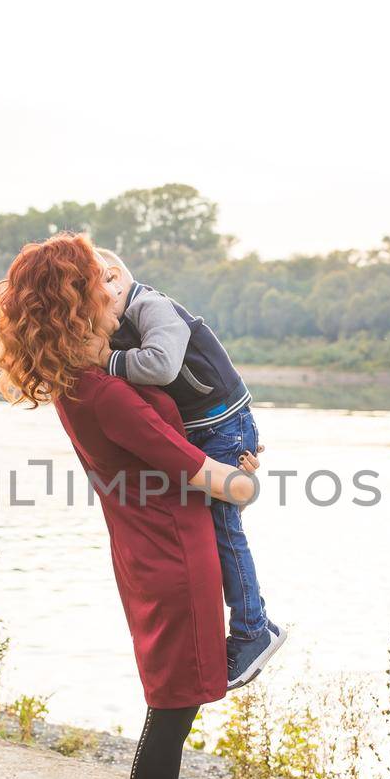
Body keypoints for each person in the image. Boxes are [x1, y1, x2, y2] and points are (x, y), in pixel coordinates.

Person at [0, 232, 258, 779]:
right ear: (78, 303)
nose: (115, 294)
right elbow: (196, 470)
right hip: (174, 556)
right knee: (170, 719)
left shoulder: (83, 385)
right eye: (99, 285)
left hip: (151, 550)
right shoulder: (106, 394)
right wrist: (246, 478)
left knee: (168, 713)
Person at [92, 247, 285, 690]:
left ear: (115, 278)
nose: (90, 307)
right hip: (204, 426)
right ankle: (251, 627)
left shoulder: (151, 307)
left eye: (92, 291)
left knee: (222, 523)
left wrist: (104, 361)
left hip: (223, 421)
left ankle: (254, 629)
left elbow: (160, 366)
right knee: (213, 522)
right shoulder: (122, 320)